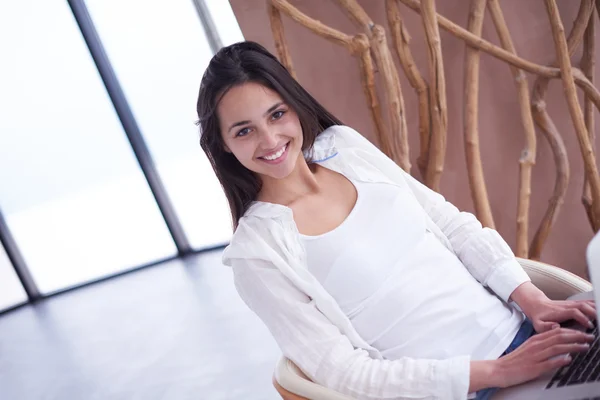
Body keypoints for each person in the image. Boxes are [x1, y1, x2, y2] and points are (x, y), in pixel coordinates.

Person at [196, 41, 595, 400]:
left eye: (276, 114)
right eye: (244, 130)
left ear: (294, 106)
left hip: (532, 333)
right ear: (224, 145)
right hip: (475, 388)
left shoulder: (345, 149)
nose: (269, 140)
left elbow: (451, 224)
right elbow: (345, 373)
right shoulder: (257, 254)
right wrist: (501, 371)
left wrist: (533, 300)